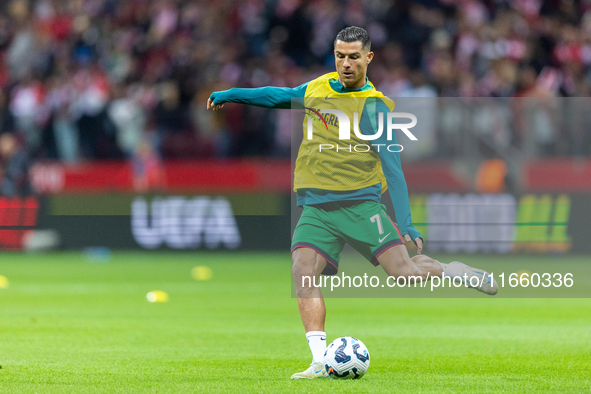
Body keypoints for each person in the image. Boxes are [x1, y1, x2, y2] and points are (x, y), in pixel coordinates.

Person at [207, 26, 498, 379]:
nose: (345, 64)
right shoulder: (317, 88)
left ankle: (452, 271)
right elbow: (277, 96)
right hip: (316, 208)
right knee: (302, 270)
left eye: (354, 57)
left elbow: (394, 168)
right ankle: (318, 360)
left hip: (361, 206)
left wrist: (405, 223)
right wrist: (231, 94)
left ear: (368, 58)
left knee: (404, 274)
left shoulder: (374, 109)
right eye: (340, 56)